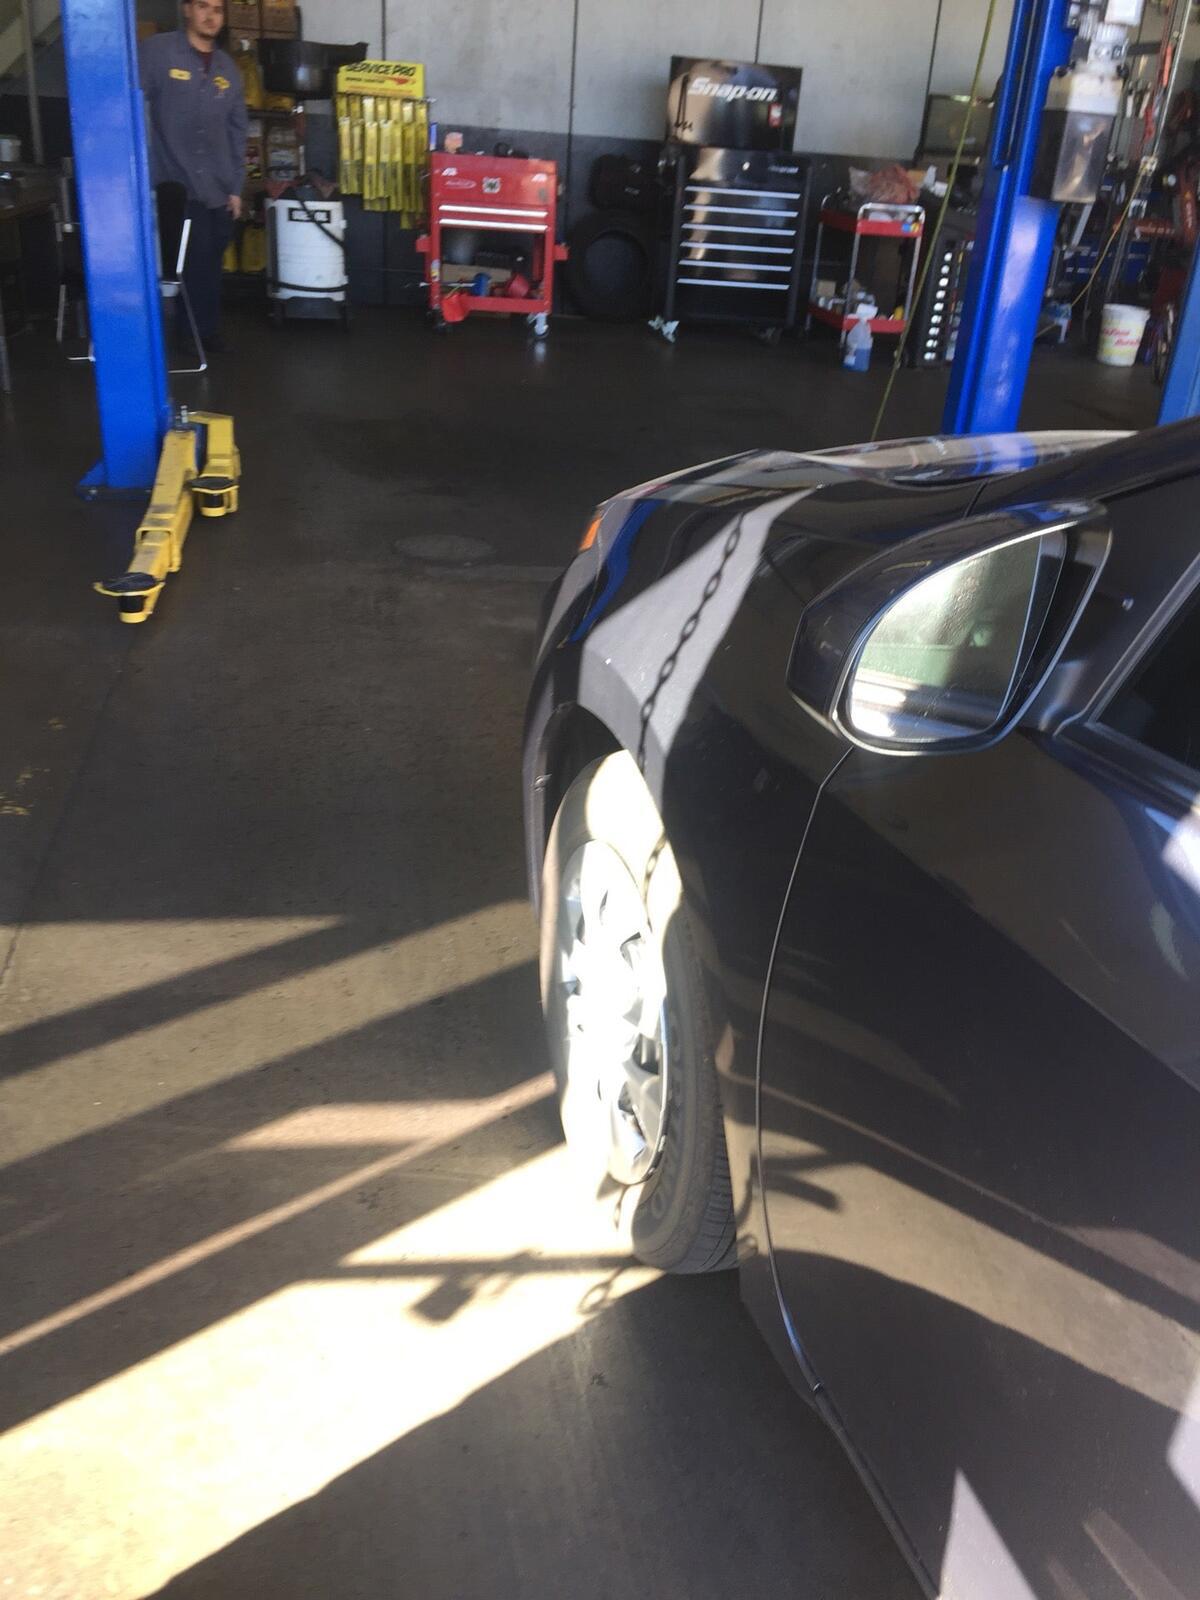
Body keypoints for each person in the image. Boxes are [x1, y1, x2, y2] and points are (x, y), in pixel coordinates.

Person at [140, 1, 247, 350]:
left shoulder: (228, 69)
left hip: (218, 186)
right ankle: (193, 334)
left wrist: (236, 187)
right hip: (175, 182)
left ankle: (203, 330)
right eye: (202, 6)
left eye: (218, 9)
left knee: (212, 259)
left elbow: (237, 132)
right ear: (187, 10)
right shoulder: (159, 52)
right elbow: (133, 103)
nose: (210, 15)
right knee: (193, 257)